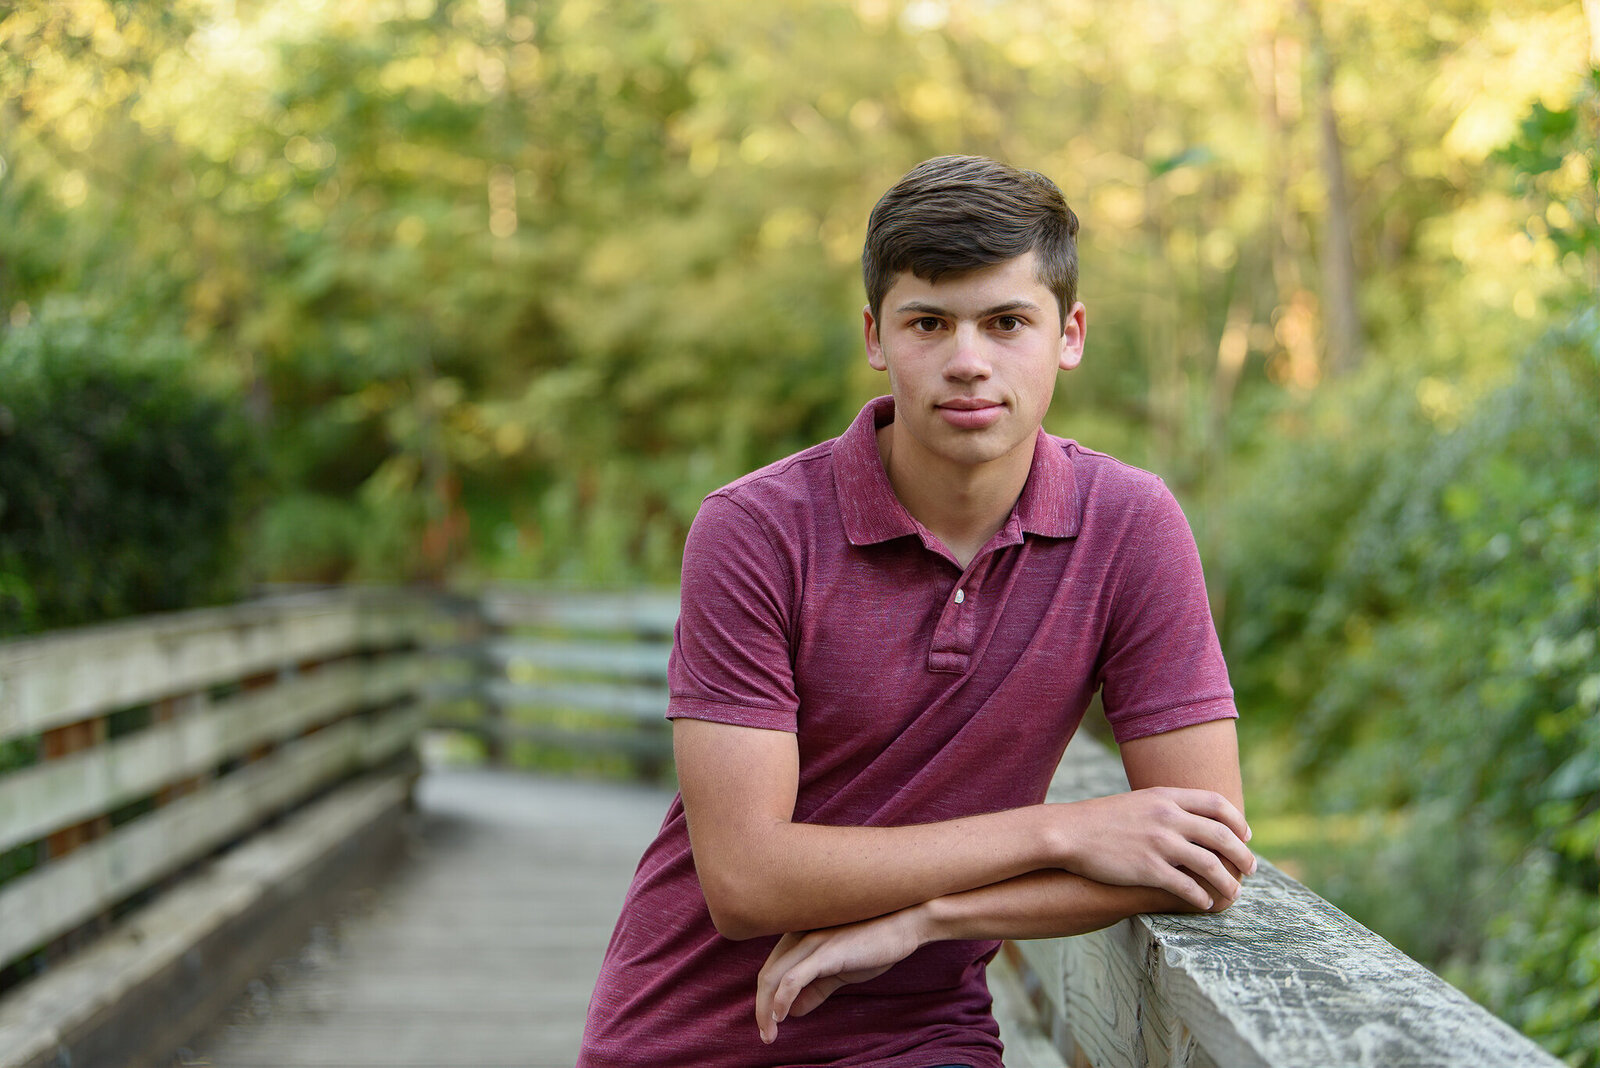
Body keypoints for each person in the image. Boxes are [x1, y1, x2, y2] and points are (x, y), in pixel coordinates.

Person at [577, 155, 1254, 1068]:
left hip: (920, 1035)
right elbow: (744, 879)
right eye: (929, 323)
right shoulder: (757, 529)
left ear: (1070, 334)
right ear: (875, 336)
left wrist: (931, 918)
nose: (969, 362)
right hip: (691, 1034)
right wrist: (1062, 828)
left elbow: (1200, 851)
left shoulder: (1130, 527)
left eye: (1008, 322)